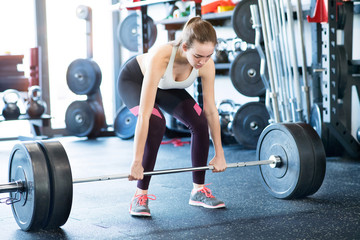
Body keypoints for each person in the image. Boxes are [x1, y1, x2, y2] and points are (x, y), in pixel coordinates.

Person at [117, 16, 227, 217]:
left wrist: (219, 153)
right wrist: (136, 161)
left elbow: (211, 110)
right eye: (198, 56)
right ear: (185, 47)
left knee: (199, 121)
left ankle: (198, 190)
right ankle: (140, 194)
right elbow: (143, 115)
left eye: (208, 56)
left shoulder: (206, 64)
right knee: (156, 122)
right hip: (134, 80)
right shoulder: (162, 57)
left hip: (165, 85)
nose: (203, 62)